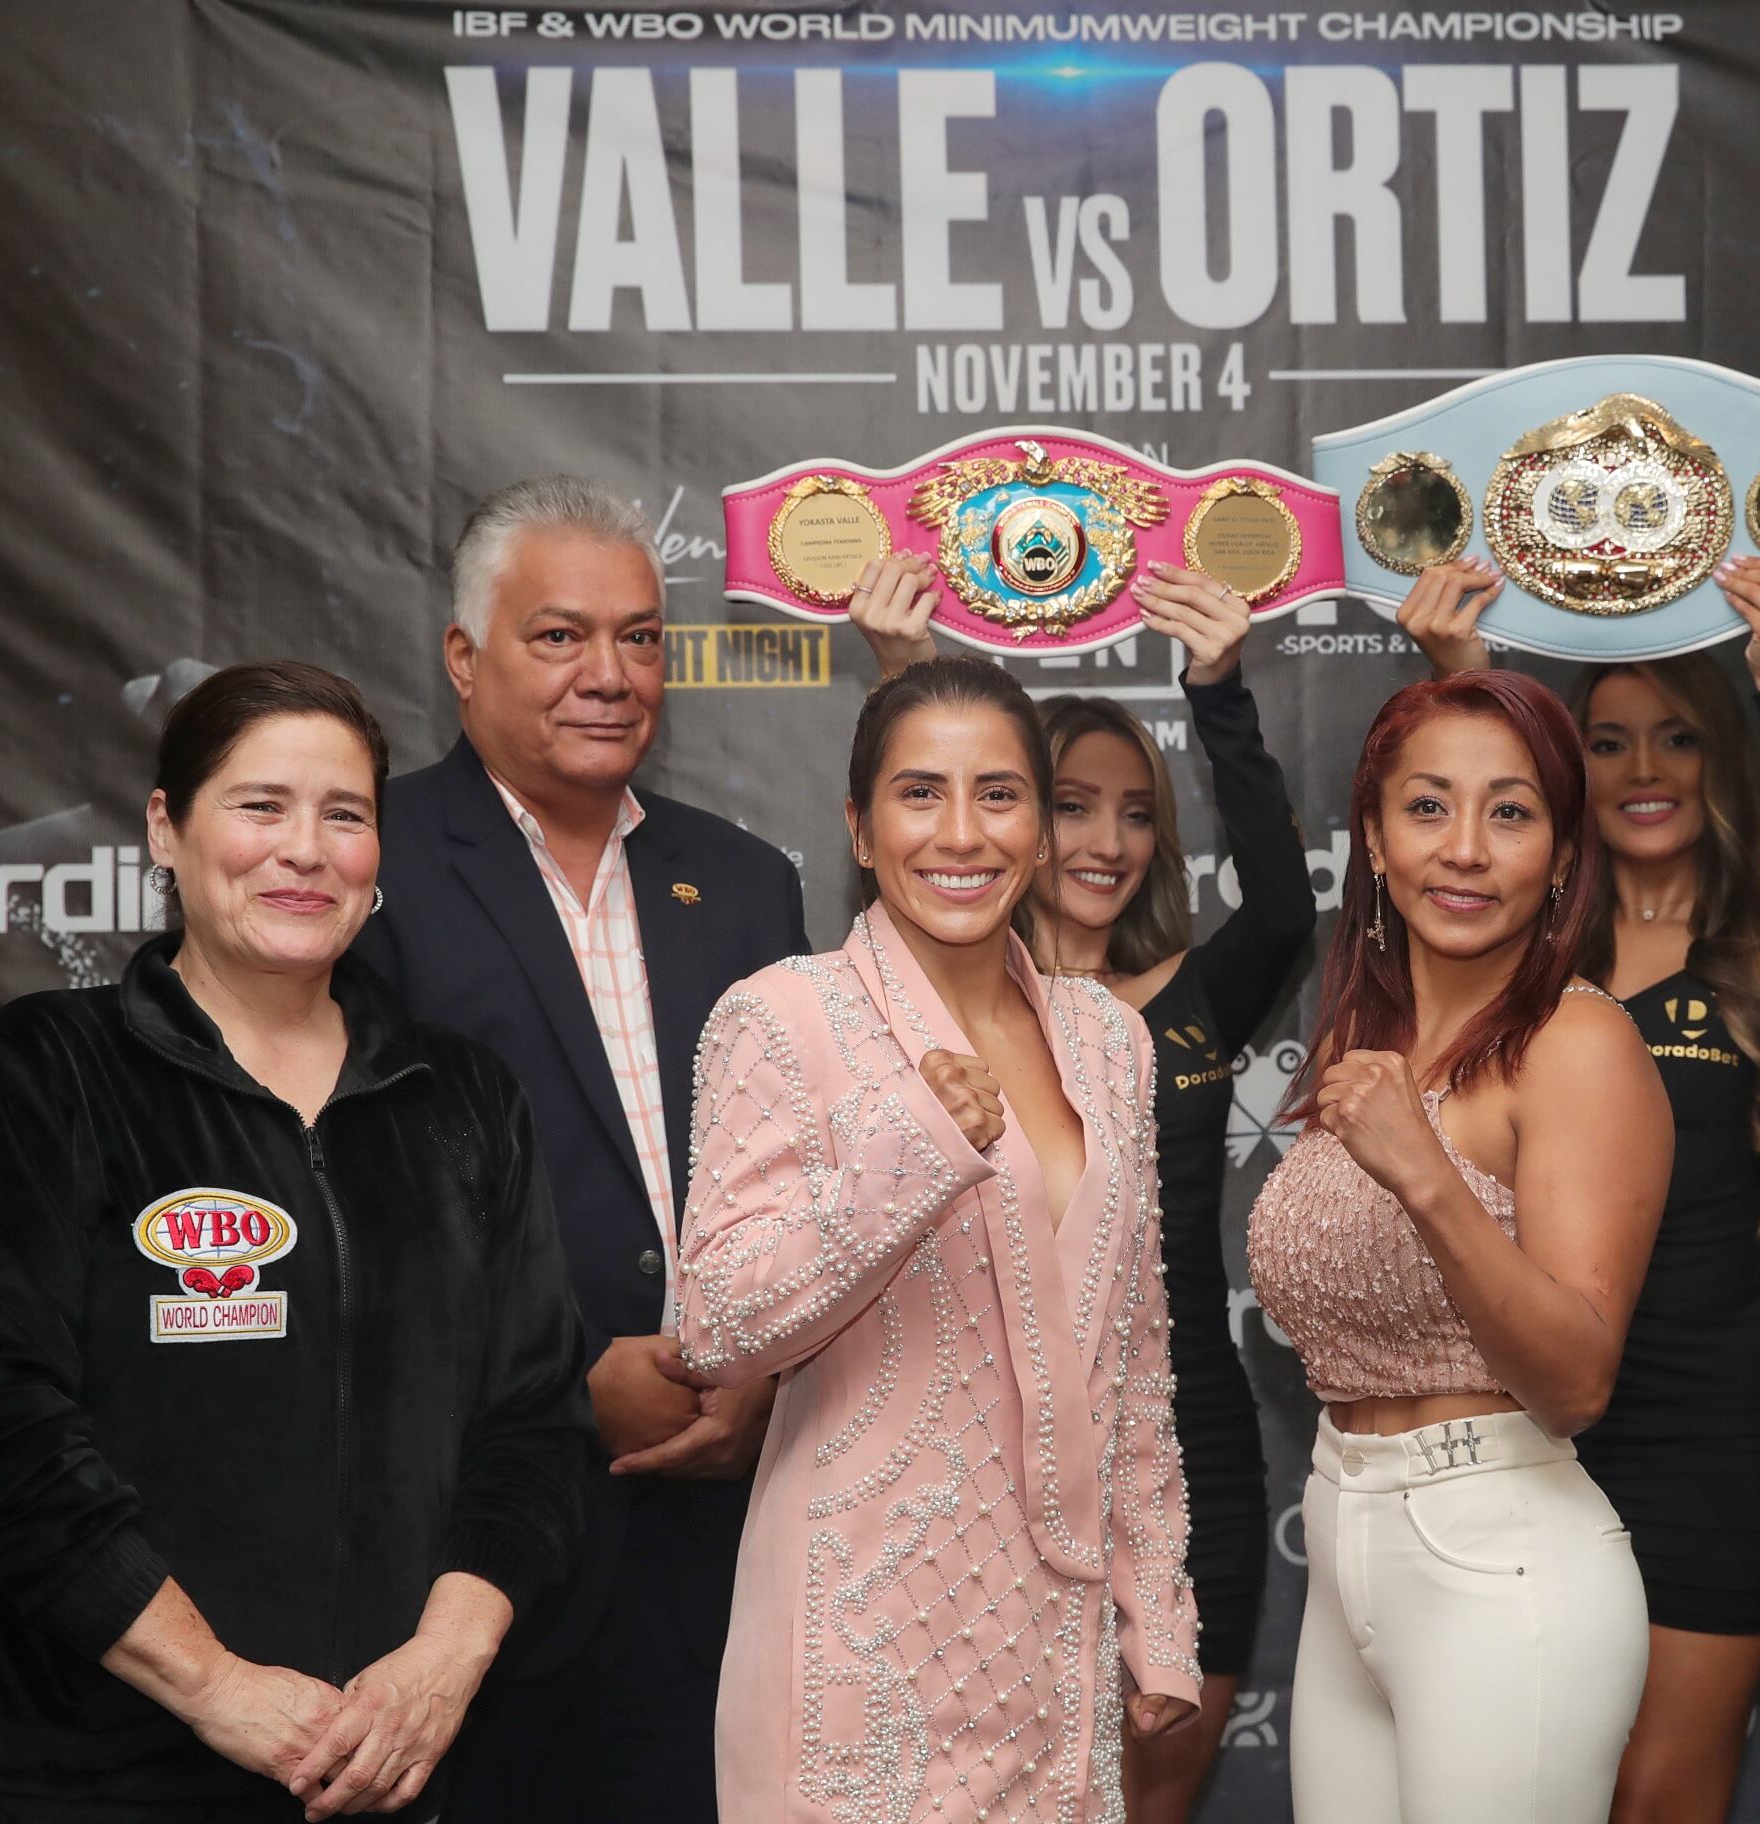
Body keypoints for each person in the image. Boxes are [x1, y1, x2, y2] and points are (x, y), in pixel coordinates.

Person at [0, 661, 590, 1822]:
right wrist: (216, 1689)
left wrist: (441, 1662)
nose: (304, 850)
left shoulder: (459, 1101)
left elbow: (534, 1422)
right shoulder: (43, 1074)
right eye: (261, 805)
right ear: (167, 826)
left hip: (374, 1775)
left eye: (344, 816)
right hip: (76, 1777)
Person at [1398, 553, 1760, 1823]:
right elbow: (1437, 848)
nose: (1640, 771)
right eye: (1607, 744)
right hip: (1519, 1427)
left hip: (1708, 1441)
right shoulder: (1507, 956)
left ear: (1718, 763)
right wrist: (1467, 688)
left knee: (1660, 1798)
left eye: (1674, 739)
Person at [351, 476, 810, 1820]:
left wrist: (766, 1377)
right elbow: (363, 1199)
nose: (609, 675)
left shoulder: (745, 883)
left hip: (729, 1513)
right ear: (462, 657)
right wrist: (563, 1374)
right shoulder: (373, 865)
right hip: (476, 1523)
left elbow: (802, 1174)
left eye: (640, 638)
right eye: (559, 637)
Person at [673, 655, 1200, 1822]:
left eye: (1000, 795)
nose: (962, 834)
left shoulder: (1107, 1037)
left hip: (1055, 1647)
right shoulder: (780, 1015)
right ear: (859, 830)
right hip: (854, 1643)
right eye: (920, 795)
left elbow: (1136, 1355)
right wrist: (914, 1144)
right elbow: (715, 1325)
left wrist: (1154, 1606)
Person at [848, 550, 1317, 1818]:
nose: (1106, 841)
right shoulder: (927, 1000)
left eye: (1136, 811)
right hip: (981, 1449)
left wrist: (1216, 685)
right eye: (1069, 805)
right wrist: (909, 677)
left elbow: (1284, 901)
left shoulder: (1192, 1001)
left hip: (1185, 1448)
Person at [1245, 667, 1672, 1824]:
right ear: (1375, 841)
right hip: (1346, 1544)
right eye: (1428, 806)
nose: (1466, 849)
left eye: (1512, 811)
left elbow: (1577, 1378)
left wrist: (1429, 1176)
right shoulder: (1366, 1030)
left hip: (1505, 1564)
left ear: (1564, 856)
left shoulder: (1578, 1044)